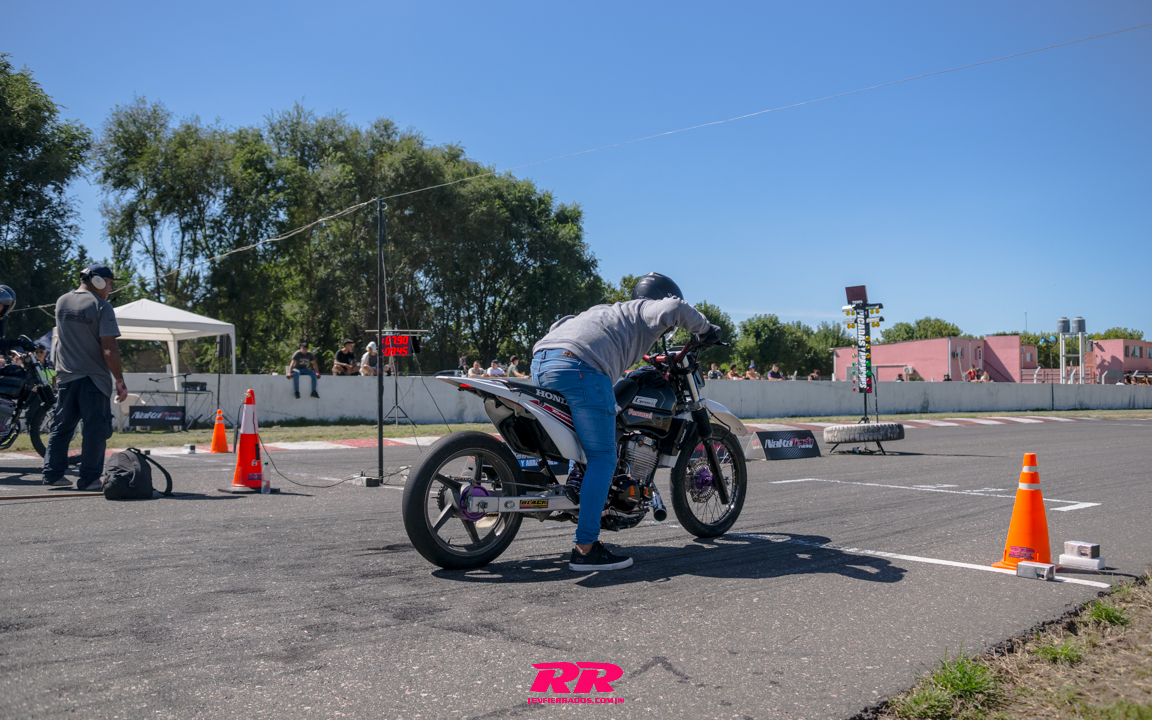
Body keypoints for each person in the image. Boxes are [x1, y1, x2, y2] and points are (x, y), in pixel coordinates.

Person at [531, 272, 718, 572]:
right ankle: (585, 549)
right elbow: (675, 308)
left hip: (542, 361)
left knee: (583, 443)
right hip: (580, 367)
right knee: (604, 457)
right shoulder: (645, 309)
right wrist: (706, 329)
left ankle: (577, 490)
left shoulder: (607, 312)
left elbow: (561, 324)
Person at [41, 265, 128, 490]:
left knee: (62, 427)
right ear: (98, 281)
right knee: (95, 430)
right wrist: (119, 379)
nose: (110, 289)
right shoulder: (102, 306)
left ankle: (52, 474)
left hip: (65, 377)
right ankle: (89, 479)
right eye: (110, 283)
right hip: (93, 379)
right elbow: (108, 348)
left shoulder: (62, 301)